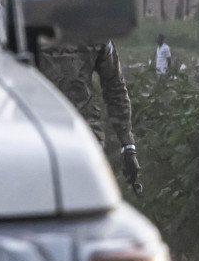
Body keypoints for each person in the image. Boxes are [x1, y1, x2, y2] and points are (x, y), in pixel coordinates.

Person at [38, 41, 142, 194]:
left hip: (45, 134)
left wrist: (128, 145)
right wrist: (127, 145)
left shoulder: (28, 25)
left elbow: (115, 88)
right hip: (78, 135)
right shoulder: (94, 28)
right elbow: (115, 88)